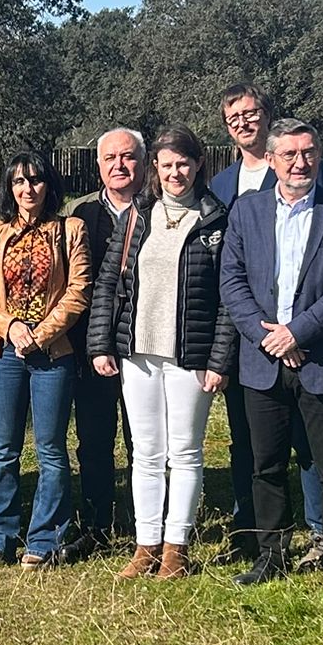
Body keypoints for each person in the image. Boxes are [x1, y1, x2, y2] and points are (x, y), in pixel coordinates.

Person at [219, 119, 323, 597]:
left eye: (308, 153)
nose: (300, 163)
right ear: (272, 159)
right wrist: (269, 339)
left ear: (318, 156)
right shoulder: (247, 210)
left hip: (321, 360)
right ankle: (271, 555)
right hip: (262, 363)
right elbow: (232, 281)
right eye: (289, 155)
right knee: (265, 464)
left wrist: (296, 332)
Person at [86, 127, 234, 580]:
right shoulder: (138, 217)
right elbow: (108, 283)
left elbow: (229, 295)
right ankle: (146, 544)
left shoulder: (216, 219)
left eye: (183, 164)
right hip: (138, 353)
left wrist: (219, 359)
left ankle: (177, 547)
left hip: (191, 355)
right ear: (157, 168)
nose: (176, 172)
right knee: (147, 453)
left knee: (185, 452)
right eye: (167, 165)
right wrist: (101, 344)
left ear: (199, 164)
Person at [208, 83, 323, 566]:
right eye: (233, 117)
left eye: (251, 112)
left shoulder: (305, 169)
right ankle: (251, 529)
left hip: (303, 338)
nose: (243, 122)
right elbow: (228, 268)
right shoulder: (222, 185)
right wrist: (260, 331)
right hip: (248, 339)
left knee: (308, 440)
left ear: (267, 114)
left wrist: (298, 330)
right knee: (249, 440)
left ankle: (321, 530)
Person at [0, 152, 93, 569]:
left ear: (48, 185)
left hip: (52, 353)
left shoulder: (69, 230)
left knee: (51, 448)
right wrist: (11, 327)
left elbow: (79, 290)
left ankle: (44, 538)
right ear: (10, 188)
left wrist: (41, 334)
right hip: (5, 353)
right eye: (19, 182)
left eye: (36, 180)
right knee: (3, 449)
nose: (28, 189)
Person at [68, 127, 146, 558]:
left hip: (145, 347)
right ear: (98, 165)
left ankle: (146, 524)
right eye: (110, 158)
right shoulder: (81, 217)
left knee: (146, 440)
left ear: (143, 160)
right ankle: (96, 523)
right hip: (92, 348)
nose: (119, 165)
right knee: (94, 439)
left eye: (128, 157)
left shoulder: (157, 212)